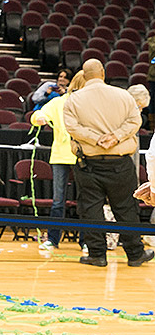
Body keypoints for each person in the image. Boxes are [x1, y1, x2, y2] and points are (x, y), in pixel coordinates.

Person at [63, 59, 153, 267]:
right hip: (120, 163)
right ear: (103, 73)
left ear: (84, 75)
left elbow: (72, 127)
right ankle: (135, 254)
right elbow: (135, 121)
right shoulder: (123, 95)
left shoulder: (73, 100)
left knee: (90, 209)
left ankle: (97, 255)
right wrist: (116, 137)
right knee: (126, 208)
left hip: (88, 163)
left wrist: (96, 139)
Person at [31, 71, 85, 250]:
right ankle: (53, 239)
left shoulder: (88, 103)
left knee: (85, 200)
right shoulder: (58, 102)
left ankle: (86, 241)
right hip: (61, 155)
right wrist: (39, 118)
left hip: (83, 155)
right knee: (58, 201)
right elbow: (38, 114)